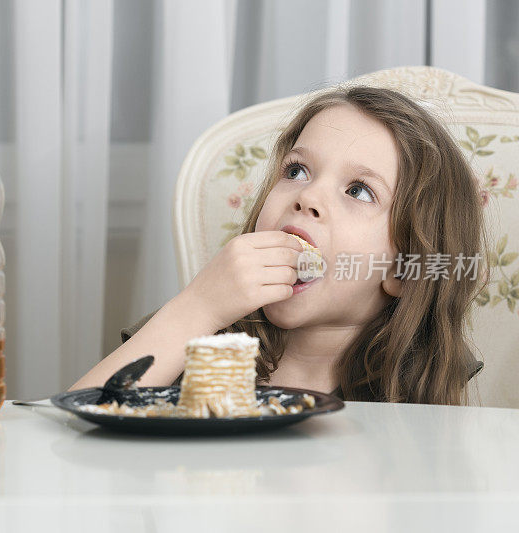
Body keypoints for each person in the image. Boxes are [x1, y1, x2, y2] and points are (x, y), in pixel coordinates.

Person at [69, 85, 488, 405]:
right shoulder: (201, 340)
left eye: (359, 191)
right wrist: (197, 309)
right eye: (297, 170)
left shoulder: (417, 377)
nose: (307, 197)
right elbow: (79, 425)